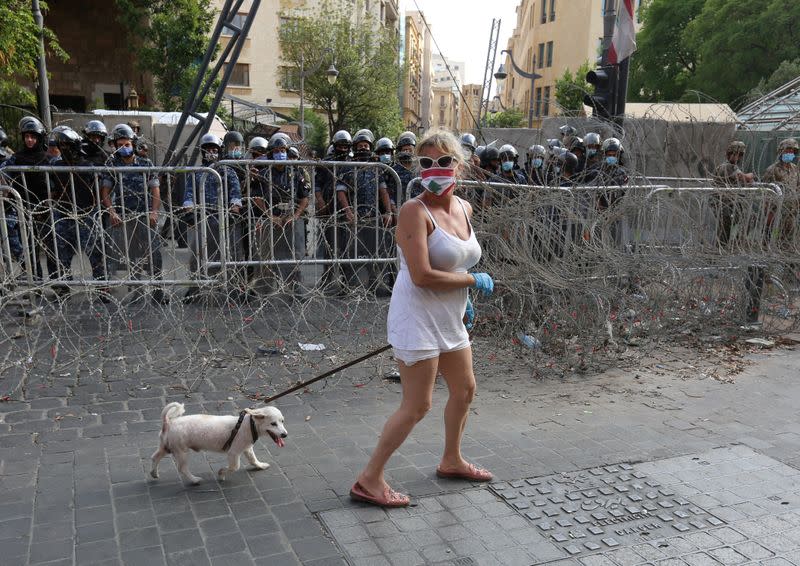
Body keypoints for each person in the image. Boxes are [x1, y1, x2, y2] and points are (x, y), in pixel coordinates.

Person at [350, 129, 495, 508]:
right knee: (418, 404)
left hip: (451, 317)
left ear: (459, 166)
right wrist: (471, 281)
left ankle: (452, 459)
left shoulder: (464, 208)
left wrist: (465, 299)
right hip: (417, 317)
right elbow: (422, 274)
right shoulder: (414, 211)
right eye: (427, 163)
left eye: (444, 162)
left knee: (465, 390)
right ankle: (369, 478)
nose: (436, 170)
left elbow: (459, 258)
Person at [100, 123, 168, 303]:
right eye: (120, 144)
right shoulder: (112, 165)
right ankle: (136, 292)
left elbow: (155, 191)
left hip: (145, 217)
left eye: (127, 144)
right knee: (131, 255)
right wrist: (112, 212)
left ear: (133, 144)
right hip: (124, 218)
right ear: (115, 145)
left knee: (153, 253)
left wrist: (154, 212)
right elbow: (105, 193)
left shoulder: (145, 164)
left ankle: (158, 290)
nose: (124, 147)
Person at [182, 133, 242, 300]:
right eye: (208, 149)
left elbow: (236, 194)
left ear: (220, 151)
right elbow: (188, 195)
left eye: (214, 149)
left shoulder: (228, 171)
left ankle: (232, 287)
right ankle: (195, 288)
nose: (211, 152)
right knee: (197, 255)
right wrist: (189, 212)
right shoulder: (196, 172)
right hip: (202, 219)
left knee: (230, 255)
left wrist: (234, 211)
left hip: (224, 219)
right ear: (202, 151)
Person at [50, 126, 108, 291]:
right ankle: (65, 285)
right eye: (62, 146)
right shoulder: (56, 166)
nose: (65, 149)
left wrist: (94, 209)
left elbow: (97, 189)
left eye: (68, 146)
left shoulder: (88, 166)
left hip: (86, 213)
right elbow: (53, 190)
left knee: (94, 250)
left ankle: (102, 285)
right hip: (64, 213)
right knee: (62, 252)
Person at [0, 116, 58, 280]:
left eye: (33, 137)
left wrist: (47, 204)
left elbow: (58, 184)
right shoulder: (17, 158)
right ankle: (36, 283)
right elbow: (3, 172)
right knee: (30, 248)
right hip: (24, 209)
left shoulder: (48, 159)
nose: (30, 140)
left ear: (39, 138)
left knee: (51, 249)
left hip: (46, 209)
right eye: (26, 137)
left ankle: (57, 283)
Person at [252, 133, 309, 295]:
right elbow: (256, 198)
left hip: (290, 221)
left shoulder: (295, 173)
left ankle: (294, 289)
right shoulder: (264, 173)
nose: (280, 153)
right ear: (271, 152)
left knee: (292, 256)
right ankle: (264, 290)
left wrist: (296, 215)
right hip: (271, 220)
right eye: (277, 150)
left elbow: (305, 197)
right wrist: (270, 215)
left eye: (283, 149)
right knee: (266, 255)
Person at [762, 138, 799, 250]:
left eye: (792, 151)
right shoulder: (773, 170)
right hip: (776, 212)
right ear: (781, 151)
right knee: (773, 237)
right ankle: (767, 256)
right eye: (787, 151)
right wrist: (768, 212)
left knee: (786, 241)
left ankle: (782, 259)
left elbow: (797, 185)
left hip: (790, 212)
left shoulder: (794, 169)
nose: (790, 153)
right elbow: (766, 191)